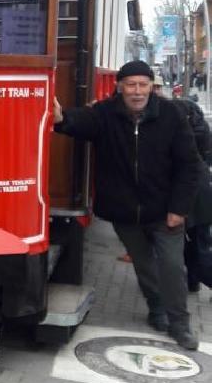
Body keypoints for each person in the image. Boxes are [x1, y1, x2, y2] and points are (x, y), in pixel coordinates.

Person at [53, 59, 201, 350]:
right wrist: (62, 118)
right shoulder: (106, 113)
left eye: (142, 85)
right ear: (120, 87)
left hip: (164, 211)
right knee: (145, 266)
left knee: (172, 267)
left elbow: (189, 166)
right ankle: (157, 310)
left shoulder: (171, 115)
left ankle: (180, 324)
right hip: (125, 212)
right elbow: (84, 121)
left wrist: (178, 209)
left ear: (151, 88)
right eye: (131, 85)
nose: (136, 91)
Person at [153, 73, 212, 294]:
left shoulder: (169, 121)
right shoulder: (186, 112)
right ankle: (192, 282)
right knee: (197, 244)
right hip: (199, 194)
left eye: (157, 87)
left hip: (192, 197)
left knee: (196, 248)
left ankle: (196, 279)